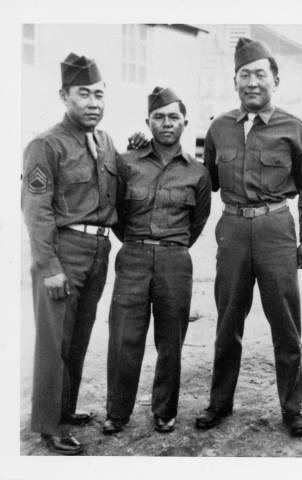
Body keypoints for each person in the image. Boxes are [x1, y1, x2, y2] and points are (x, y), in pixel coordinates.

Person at [195, 38, 302, 437]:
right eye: (244, 75)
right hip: (232, 230)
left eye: (260, 74)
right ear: (234, 81)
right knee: (227, 321)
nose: (252, 82)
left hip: (276, 232)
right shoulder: (218, 128)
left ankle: (292, 409)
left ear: (275, 79)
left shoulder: (293, 127)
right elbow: (206, 182)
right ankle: (219, 403)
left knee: (285, 325)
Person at [22, 53, 119, 454]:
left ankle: (66, 408)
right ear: (64, 95)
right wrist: (50, 267)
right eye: (84, 93)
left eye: (99, 94)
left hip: (98, 249)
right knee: (54, 343)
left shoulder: (104, 140)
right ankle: (51, 425)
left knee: (78, 338)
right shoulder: (45, 145)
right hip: (63, 252)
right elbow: (35, 208)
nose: (93, 102)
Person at [102, 87, 211, 435]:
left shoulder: (198, 173)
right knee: (124, 337)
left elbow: (199, 222)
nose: (166, 123)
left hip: (175, 260)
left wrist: (170, 247)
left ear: (185, 122)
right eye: (159, 117)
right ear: (148, 121)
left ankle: (165, 411)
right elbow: (116, 212)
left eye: (173, 117)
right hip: (132, 255)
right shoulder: (126, 163)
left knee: (170, 341)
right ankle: (117, 412)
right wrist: (137, 244)